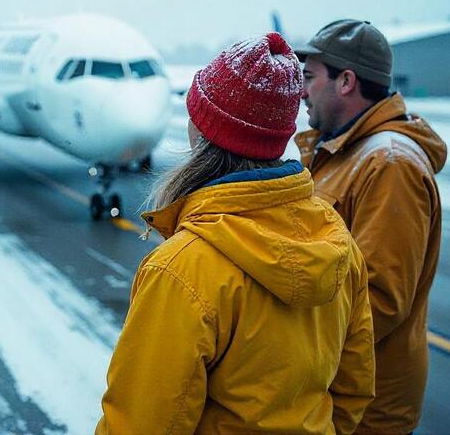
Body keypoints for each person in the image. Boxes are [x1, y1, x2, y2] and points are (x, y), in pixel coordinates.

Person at [96, 32, 375, 435]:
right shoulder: (335, 239)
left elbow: (141, 423)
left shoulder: (182, 269)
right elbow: (354, 389)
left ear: (204, 132)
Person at [294, 20, 447, 435]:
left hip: (364, 408)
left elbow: (379, 300)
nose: (300, 90)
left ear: (346, 81)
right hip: (333, 392)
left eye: (309, 77)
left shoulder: (389, 165)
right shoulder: (342, 151)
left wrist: (285, 345)